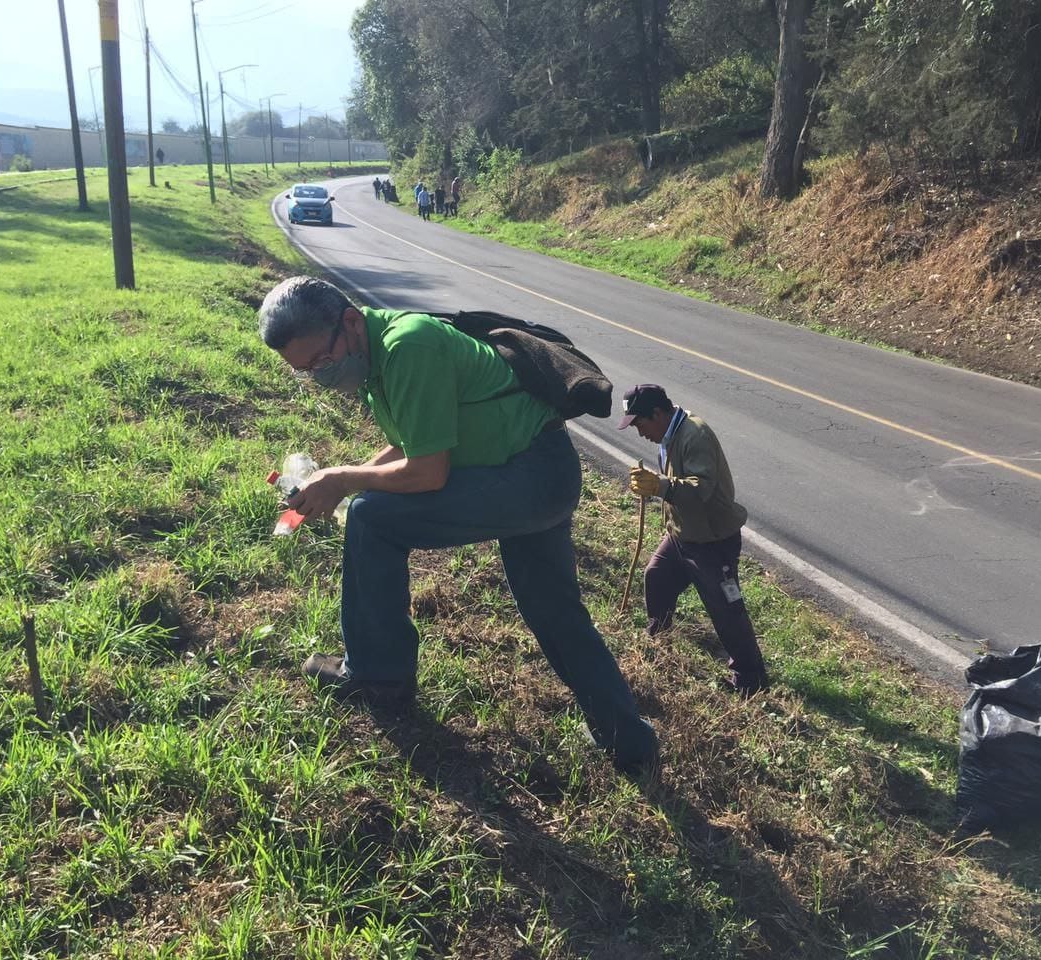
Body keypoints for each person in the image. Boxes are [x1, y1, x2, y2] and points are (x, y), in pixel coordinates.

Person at [257, 277, 659, 774]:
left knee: (372, 519)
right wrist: (347, 478)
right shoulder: (377, 355)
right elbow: (414, 439)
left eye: (321, 362)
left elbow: (428, 471)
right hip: (535, 471)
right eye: (305, 372)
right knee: (554, 610)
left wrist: (345, 480)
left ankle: (379, 675)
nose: (320, 377)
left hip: (529, 475)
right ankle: (630, 742)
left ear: (351, 322)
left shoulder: (408, 346)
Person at [620, 384, 769, 695]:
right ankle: (660, 646)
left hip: (712, 541)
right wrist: (651, 487)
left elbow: (700, 488)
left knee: (726, 609)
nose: (640, 433)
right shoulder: (668, 435)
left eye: (640, 424)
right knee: (656, 577)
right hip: (681, 535)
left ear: (657, 413)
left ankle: (751, 680)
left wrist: (660, 486)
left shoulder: (694, 434)